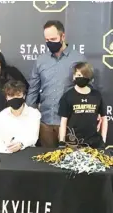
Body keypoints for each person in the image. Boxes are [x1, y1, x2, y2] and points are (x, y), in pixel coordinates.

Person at [26, 20, 87, 148]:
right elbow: (33, 90)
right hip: (45, 123)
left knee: (70, 162)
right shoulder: (41, 61)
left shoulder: (78, 59)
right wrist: (28, 116)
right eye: (47, 40)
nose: (50, 43)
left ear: (63, 36)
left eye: (53, 39)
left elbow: (88, 89)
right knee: (46, 163)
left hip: (71, 122)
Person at [58, 62, 108, 148]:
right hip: (73, 143)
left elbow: (104, 118)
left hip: (94, 143)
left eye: (84, 75)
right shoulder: (67, 96)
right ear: (74, 76)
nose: (81, 78)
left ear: (89, 77)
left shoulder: (97, 95)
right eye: (78, 75)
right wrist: (62, 142)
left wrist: (103, 140)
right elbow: (63, 121)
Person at [0, 80, 41, 153]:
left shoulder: (34, 114)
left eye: (18, 95)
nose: (15, 98)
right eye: (11, 96)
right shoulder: (0, 117)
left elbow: (33, 137)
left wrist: (21, 144)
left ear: (24, 96)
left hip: (27, 152)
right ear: (6, 97)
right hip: (6, 153)